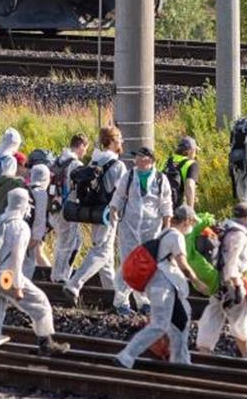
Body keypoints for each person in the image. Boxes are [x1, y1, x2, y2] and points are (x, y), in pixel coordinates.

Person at [0, 187, 70, 362]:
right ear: (24, 205)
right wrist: (16, 286)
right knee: (41, 303)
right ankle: (47, 343)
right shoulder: (21, 227)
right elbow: (15, 258)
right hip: (6, 276)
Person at [115, 205, 207, 368]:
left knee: (181, 322)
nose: (192, 227)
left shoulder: (164, 233)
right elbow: (183, 264)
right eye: (192, 222)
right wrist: (197, 282)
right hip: (162, 287)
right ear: (186, 221)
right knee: (160, 326)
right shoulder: (176, 236)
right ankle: (126, 356)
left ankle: (181, 363)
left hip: (166, 287)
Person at [58, 127, 126, 307]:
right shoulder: (117, 165)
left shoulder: (95, 160)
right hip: (110, 212)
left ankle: (117, 302)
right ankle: (74, 285)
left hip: (96, 211)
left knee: (107, 259)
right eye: (119, 138)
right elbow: (123, 192)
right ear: (111, 141)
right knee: (102, 251)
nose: (122, 141)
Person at [111, 146, 172, 316]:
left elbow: (166, 203)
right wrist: (114, 210)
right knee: (128, 263)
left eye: (138, 156)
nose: (135, 160)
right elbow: (119, 195)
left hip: (151, 228)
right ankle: (121, 301)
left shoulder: (161, 179)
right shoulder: (129, 175)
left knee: (145, 265)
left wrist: (167, 225)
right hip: (129, 227)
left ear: (148, 160)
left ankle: (143, 301)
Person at [195, 203, 247, 359]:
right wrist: (237, 286)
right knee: (239, 319)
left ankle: (204, 352)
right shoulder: (238, 235)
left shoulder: (223, 227)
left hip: (216, 281)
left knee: (213, 314)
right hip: (230, 283)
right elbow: (231, 263)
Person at [49, 133, 88, 285]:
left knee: (70, 241)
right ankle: (60, 276)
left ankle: (58, 274)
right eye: (85, 148)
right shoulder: (75, 164)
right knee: (69, 243)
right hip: (69, 209)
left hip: (55, 207)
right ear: (82, 146)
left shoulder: (59, 160)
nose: (85, 152)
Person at [22, 164, 50, 280]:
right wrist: (36, 238)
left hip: (20, 230)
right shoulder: (41, 193)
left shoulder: (24, 189)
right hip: (31, 234)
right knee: (28, 265)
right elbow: (40, 218)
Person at [160, 137, 200, 210]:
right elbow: (189, 186)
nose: (195, 154)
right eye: (195, 151)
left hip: (161, 205)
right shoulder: (191, 164)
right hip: (177, 207)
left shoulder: (167, 161)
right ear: (190, 150)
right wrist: (190, 211)